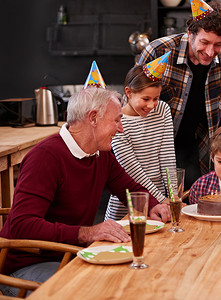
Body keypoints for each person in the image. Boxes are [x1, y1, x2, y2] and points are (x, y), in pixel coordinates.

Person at [0, 65, 170, 297]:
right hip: (24, 267)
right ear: (93, 118)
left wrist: (155, 205)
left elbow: (127, 186)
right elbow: (22, 225)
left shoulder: (101, 155)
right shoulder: (45, 157)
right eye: (117, 121)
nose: (121, 129)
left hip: (71, 254)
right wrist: (87, 233)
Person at [137, 0, 221, 189]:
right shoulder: (157, 51)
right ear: (190, 33)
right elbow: (133, 105)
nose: (210, 52)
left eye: (218, 44)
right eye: (204, 42)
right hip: (154, 149)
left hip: (198, 152)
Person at [105, 52, 177, 220]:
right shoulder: (118, 120)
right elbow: (132, 170)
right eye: (145, 99)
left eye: (156, 98)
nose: (151, 105)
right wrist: (160, 199)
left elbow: (167, 157)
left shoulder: (163, 110)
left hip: (161, 201)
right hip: (129, 201)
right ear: (129, 92)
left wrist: (172, 197)